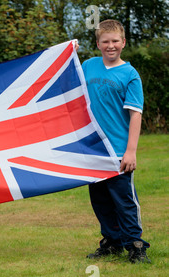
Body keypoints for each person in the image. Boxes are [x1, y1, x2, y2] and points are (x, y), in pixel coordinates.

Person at [80, 20, 150, 263]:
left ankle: (136, 245)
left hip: (118, 150)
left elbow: (135, 114)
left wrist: (131, 151)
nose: (111, 46)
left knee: (124, 201)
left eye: (115, 41)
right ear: (98, 43)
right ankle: (112, 242)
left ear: (123, 43)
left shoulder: (129, 74)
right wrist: (68, 54)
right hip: (93, 149)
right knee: (100, 200)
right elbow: (66, 83)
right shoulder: (88, 66)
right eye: (105, 41)